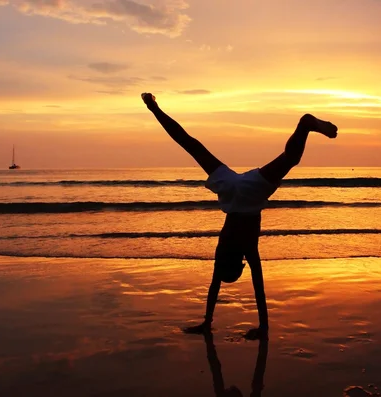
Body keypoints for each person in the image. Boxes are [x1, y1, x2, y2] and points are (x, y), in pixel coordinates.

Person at [141, 93, 337, 340]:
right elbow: (215, 286)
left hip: (251, 193)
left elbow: (258, 285)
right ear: (227, 265)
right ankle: (154, 108)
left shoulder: (244, 249)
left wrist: (263, 326)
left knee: (290, 159)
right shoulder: (223, 251)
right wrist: (206, 321)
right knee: (190, 144)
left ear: (239, 264)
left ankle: (304, 126)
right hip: (232, 187)